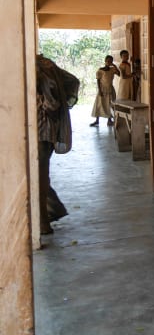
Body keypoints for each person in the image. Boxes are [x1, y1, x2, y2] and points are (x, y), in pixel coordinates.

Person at [36, 54, 80, 235]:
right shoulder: (46, 65)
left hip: (39, 130)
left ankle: (44, 220)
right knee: (40, 174)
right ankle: (52, 211)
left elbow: (49, 95)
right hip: (47, 130)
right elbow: (73, 81)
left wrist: (53, 104)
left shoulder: (37, 69)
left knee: (38, 176)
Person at [90, 55, 120, 127]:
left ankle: (109, 120)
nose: (109, 62)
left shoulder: (112, 70)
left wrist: (114, 66)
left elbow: (119, 74)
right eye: (108, 61)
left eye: (110, 61)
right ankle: (97, 120)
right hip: (102, 90)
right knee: (99, 104)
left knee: (110, 104)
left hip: (110, 89)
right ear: (105, 61)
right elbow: (98, 81)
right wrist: (100, 90)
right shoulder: (100, 70)